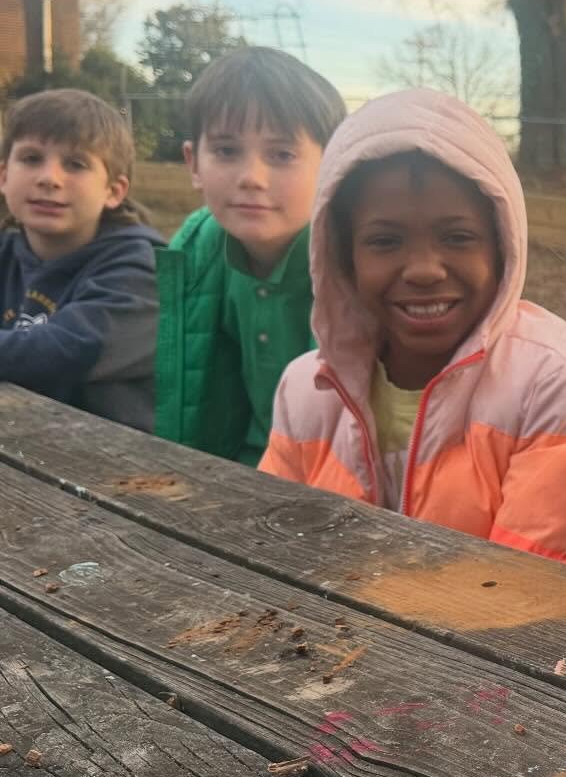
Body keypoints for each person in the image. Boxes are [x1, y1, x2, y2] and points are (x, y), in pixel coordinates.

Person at [261, 88, 566, 559]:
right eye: (384, 241)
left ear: (503, 246)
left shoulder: (556, 384)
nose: (423, 269)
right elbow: (271, 546)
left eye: (457, 237)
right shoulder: (305, 391)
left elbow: (524, 587)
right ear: (342, 254)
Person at [154, 46, 347, 464]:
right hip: (241, 473)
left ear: (332, 164)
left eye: (282, 155)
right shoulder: (198, 253)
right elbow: (195, 402)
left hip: (342, 485)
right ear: (193, 162)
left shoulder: (354, 261)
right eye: (226, 151)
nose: (251, 178)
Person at [0, 89, 164, 430]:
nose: (49, 178)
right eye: (31, 159)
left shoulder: (140, 266)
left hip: (115, 468)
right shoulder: (7, 252)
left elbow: (66, 352)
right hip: (23, 443)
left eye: (75, 164)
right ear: (3, 176)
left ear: (114, 191)